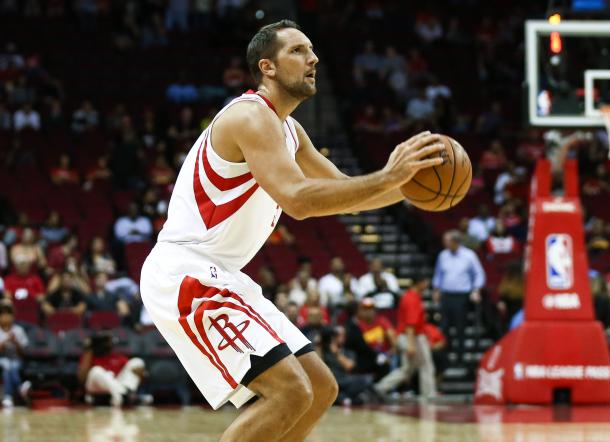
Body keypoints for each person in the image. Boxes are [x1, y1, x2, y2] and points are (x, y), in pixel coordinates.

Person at [140, 20, 444, 441]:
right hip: (186, 271)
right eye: (298, 51)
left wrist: (407, 185)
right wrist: (389, 176)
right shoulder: (250, 116)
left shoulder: (290, 131)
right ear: (267, 67)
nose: (313, 58)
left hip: (223, 274)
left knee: (319, 389)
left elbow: (344, 193)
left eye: (312, 50)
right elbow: (299, 200)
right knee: (287, 392)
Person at [375, 275, 437, 399]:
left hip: (409, 336)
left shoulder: (409, 296)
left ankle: (379, 388)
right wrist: (410, 344)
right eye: (425, 282)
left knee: (407, 369)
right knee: (426, 366)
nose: (426, 286)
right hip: (412, 337)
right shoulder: (412, 298)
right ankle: (429, 395)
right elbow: (410, 324)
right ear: (419, 283)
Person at [432, 230, 486, 353]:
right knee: (445, 326)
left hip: (461, 296)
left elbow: (479, 274)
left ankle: (460, 355)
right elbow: (438, 274)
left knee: (460, 327)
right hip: (446, 295)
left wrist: (476, 289)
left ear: (455, 242)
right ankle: (445, 354)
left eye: (447, 241)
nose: (444, 244)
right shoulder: (443, 255)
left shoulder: (469, 255)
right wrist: (436, 289)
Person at [77, 332, 147, 407]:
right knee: (96, 370)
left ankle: (121, 395)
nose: (108, 344)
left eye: (109, 342)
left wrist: (141, 373)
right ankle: (124, 396)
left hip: (118, 386)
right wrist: (89, 350)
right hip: (97, 390)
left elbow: (141, 375)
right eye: (105, 341)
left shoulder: (117, 357)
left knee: (137, 362)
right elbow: (82, 379)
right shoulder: (89, 357)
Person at [0, 301, 29, 407]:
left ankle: (8, 396)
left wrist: (15, 342)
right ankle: (20, 387)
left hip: (17, 359)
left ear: (13, 316)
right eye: (2, 314)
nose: (6, 317)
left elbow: (24, 353)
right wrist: (4, 342)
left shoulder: (19, 330)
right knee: (7, 364)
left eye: (8, 314)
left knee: (11, 366)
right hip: (2, 359)